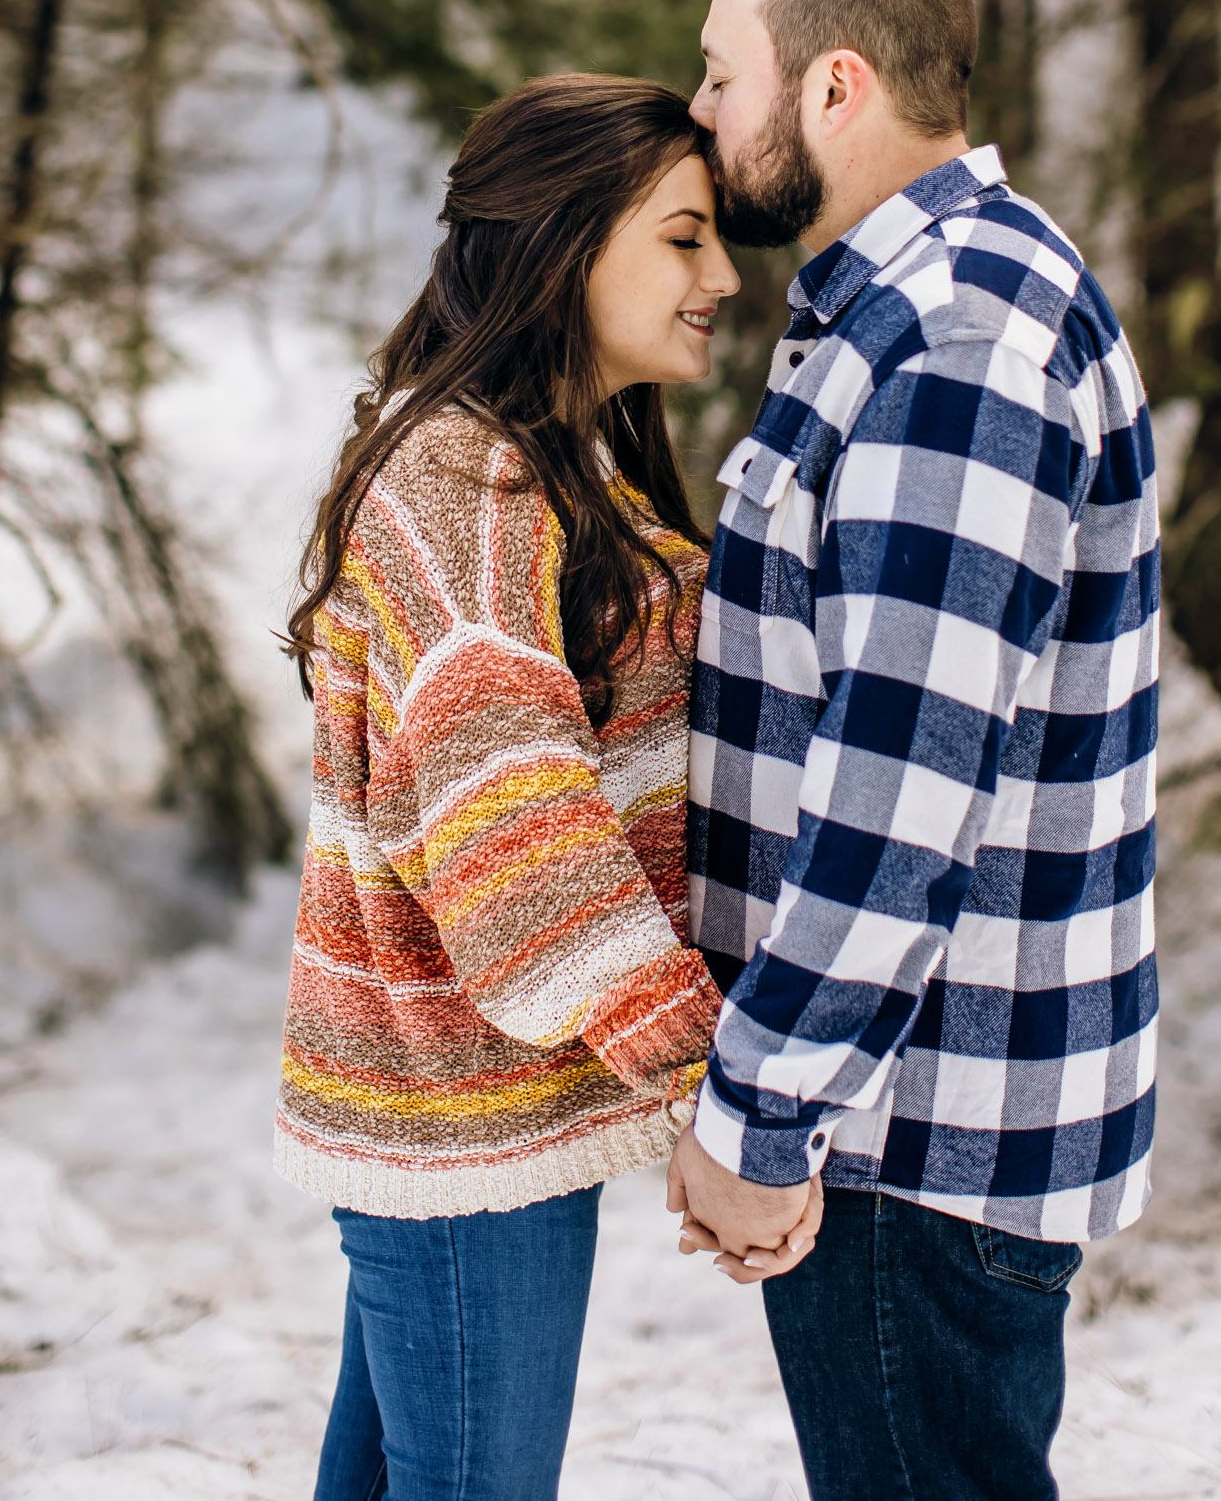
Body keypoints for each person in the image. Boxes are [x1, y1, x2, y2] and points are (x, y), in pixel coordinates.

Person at [668, 0, 1160, 1501]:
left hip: (911, 1132)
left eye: (721, 72)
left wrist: (760, 1115)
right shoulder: (910, 310)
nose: (698, 110)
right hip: (905, 1108)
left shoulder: (954, 347)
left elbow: (900, 798)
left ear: (835, 88)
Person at [274, 74, 817, 1501]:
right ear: (569, 248)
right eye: (683, 237)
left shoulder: (538, 467)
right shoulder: (466, 488)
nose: (722, 276)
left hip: (468, 1112)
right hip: (460, 1112)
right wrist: (716, 1089)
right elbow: (524, 856)